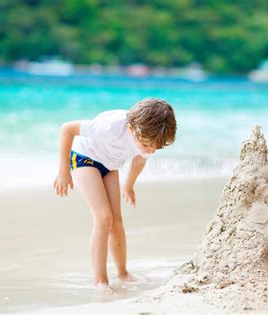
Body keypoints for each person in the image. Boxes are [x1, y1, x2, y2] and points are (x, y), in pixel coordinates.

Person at [53, 98, 176, 292]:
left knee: (116, 223)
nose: (151, 150)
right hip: (84, 158)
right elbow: (67, 128)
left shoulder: (150, 134)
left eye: (156, 148)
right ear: (132, 130)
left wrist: (128, 185)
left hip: (110, 165)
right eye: (147, 145)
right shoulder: (109, 127)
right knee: (104, 218)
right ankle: (100, 281)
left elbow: (139, 159)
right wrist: (63, 171)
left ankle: (122, 273)